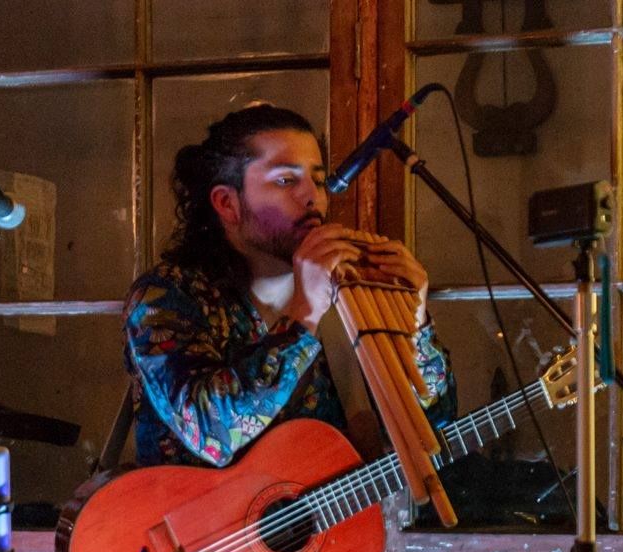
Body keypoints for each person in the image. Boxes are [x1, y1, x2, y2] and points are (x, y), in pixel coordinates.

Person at [124, 103, 454, 469]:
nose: (314, 197)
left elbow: (434, 430)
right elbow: (212, 432)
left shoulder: (348, 295)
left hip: (330, 507)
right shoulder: (167, 296)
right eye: (286, 180)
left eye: (318, 180)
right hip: (194, 507)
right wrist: (305, 314)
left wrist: (415, 325)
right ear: (227, 203)